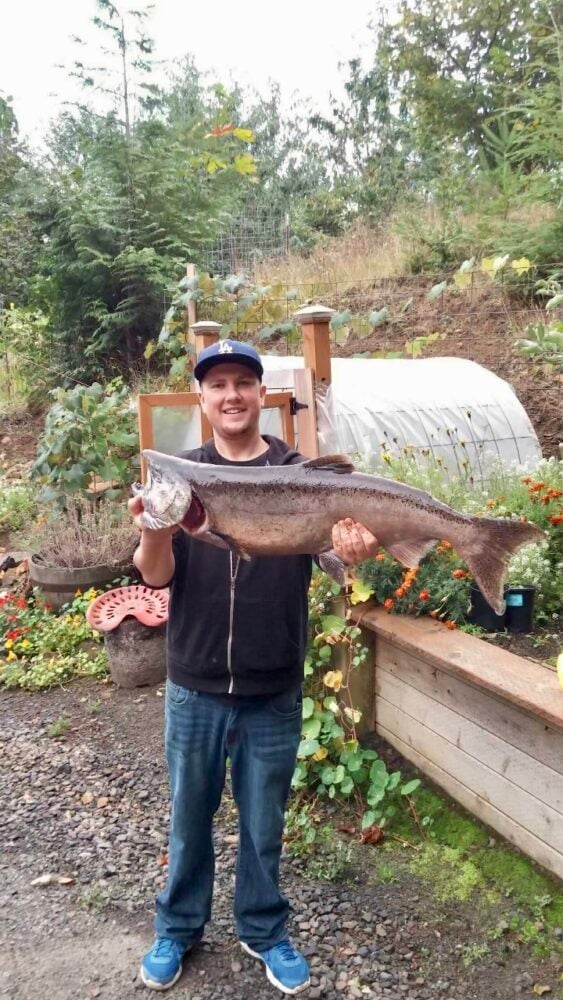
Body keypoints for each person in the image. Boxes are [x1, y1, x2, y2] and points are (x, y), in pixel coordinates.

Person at [129, 340, 379, 994]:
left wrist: (353, 549)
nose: (231, 395)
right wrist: (157, 525)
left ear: (260, 395)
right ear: (203, 399)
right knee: (188, 820)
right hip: (194, 685)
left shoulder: (302, 474)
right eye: (218, 385)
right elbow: (154, 576)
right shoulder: (182, 474)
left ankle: (263, 928)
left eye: (244, 382)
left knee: (263, 823)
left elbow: (335, 561)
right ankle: (177, 929)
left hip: (273, 686)